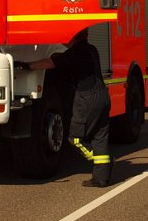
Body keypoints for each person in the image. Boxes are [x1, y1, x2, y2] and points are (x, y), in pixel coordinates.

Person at [28, 27, 112, 187]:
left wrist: (27, 66)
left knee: (75, 138)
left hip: (87, 98)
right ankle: (101, 178)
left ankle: (103, 162)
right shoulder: (91, 49)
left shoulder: (75, 53)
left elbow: (49, 64)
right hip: (102, 95)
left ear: (71, 37)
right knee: (100, 137)